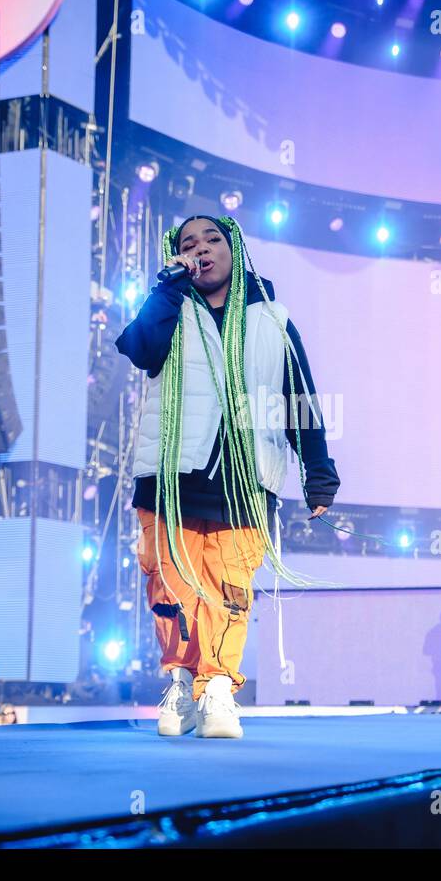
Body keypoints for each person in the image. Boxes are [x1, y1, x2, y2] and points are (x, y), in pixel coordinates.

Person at [115, 214, 340, 739]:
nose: (201, 248)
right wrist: (166, 288)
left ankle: (217, 688)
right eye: (188, 243)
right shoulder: (170, 309)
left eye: (213, 239)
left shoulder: (274, 320)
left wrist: (319, 473)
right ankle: (179, 680)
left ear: (234, 249)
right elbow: (140, 348)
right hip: (170, 476)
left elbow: (299, 399)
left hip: (245, 478)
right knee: (171, 585)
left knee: (229, 587)